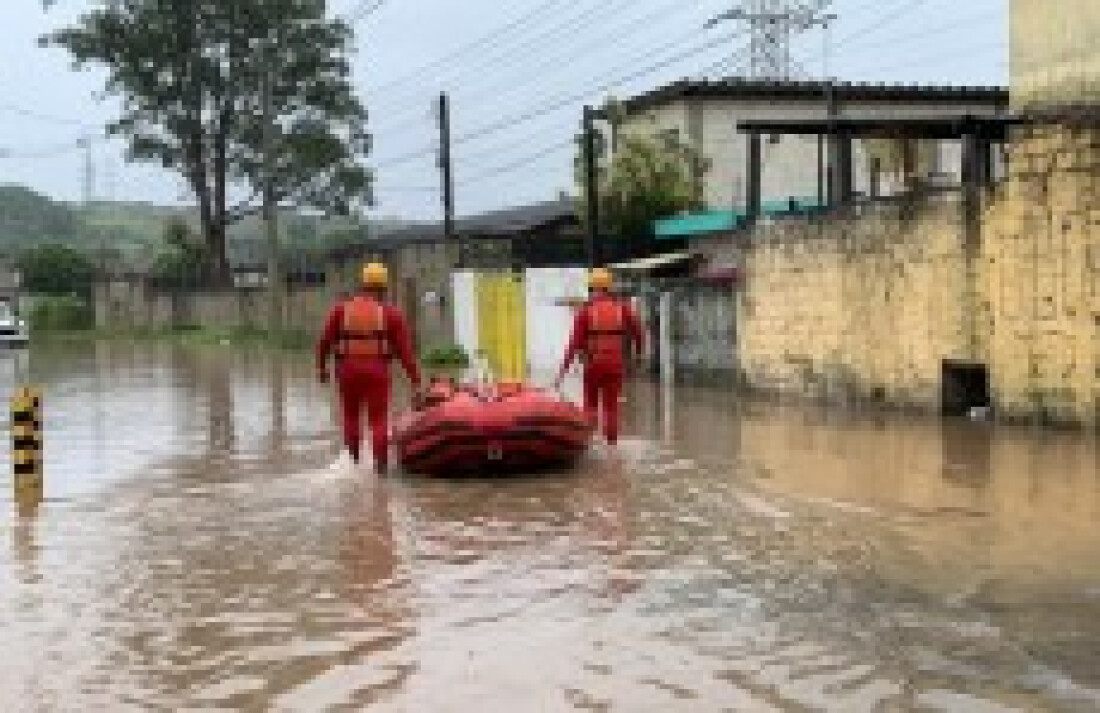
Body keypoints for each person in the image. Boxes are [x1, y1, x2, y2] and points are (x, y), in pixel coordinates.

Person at [317, 262, 422, 471]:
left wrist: (321, 368)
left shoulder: (341, 309)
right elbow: (405, 353)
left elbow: (324, 342)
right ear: (384, 288)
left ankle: (353, 465)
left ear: (362, 285)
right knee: (379, 419)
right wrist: (416, 381)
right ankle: (381, 469)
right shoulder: (392, 314)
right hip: (377, 372)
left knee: (350, 416)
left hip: (347, 370)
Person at [554, 268, 644, 446]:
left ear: (592, 288)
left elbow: (573, 344)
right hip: (615, 365)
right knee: (611, 408)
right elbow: (639, 334)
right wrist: (638, 357)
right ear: (609, 288)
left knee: (590, 406)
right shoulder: (623, 308)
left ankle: (590, 445)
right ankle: (612, 448)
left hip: (593, 365)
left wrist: (562, 373)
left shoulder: (585, 312)